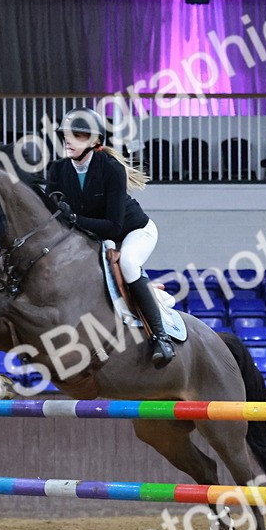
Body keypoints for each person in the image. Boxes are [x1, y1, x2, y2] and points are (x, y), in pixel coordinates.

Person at [46, 107, 175, 369]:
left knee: (128, 263)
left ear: (95, 142)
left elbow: (114, 227)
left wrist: (73, 220)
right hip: (92, 235)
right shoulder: (57, 170)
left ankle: (161, 337)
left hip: (133, 232)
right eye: (66, 135)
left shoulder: (111, 169)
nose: (69, 141)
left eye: (78, 136)